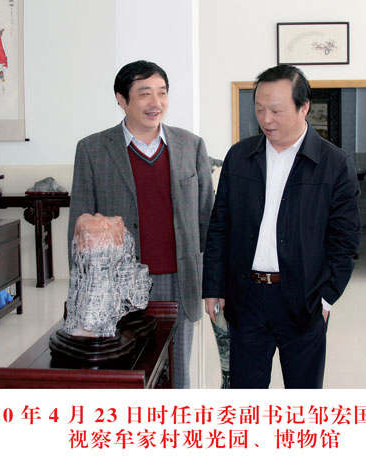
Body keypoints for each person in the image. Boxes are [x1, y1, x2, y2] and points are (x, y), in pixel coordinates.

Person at [202, 65, 361, 389]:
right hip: (246, 296)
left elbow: (345, 240)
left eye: (276, 110)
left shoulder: (333, 163)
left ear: (304, 108)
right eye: (259, 109)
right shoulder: (240, 156)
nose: (266, 119)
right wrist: (213, 287)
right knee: (246, 392)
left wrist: (326, 299)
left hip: (303, 298)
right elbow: (220, 226)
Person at [68, 60, 214, 388]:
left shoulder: (190, 145)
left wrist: (214, 283)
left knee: (177, 372)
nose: (155, 102)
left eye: (162, 93)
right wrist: (82, 295)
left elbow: (207, 219)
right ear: (121, 99)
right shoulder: (92, 149)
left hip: (178, 280)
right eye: (145, 93)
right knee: (124, 373)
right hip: (115, 284)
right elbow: (79, 230)